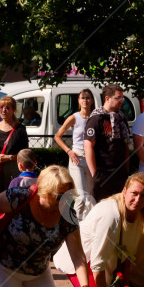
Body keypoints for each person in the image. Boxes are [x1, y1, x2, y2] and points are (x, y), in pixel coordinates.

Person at [77, 172, 144, 287]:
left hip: (104, 267)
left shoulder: (142, 216)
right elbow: (96, 264)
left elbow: (127, 258)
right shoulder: (111, 215)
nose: (138, 200)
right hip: (83, 263)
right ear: (125, 191)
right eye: (134, 193)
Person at [84, 83, 131, 201]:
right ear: (107, 98)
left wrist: (126, 168)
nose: (121, 101)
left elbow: (125, 144)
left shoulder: (121, 118)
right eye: (117, 98)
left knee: (119, 206)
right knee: (98, 208)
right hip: (101, 172)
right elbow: (88, 146)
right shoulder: (96, 118)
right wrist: (95, 174)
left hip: (119, 172)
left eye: (122, 98)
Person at [54, 89, 94, 219]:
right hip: (76, 159)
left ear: (92, 100)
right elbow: (57, 136)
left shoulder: (95, 117)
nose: (85, 100)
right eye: (82, 98)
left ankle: (86, 227)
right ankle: (75, 227)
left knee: (90, 198)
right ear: (78, 100)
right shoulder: (74, 117)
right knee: (81, 197)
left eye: (88, 98)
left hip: (91, 159)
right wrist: (69, 151)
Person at [0, 96, 29, 197]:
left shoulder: (20, 129)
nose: (4, 110)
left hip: (12, 169)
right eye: (1, 107)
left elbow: (25, 154)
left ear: (13, 110)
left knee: (11, 198)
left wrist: (8, 157)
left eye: (7, 108)